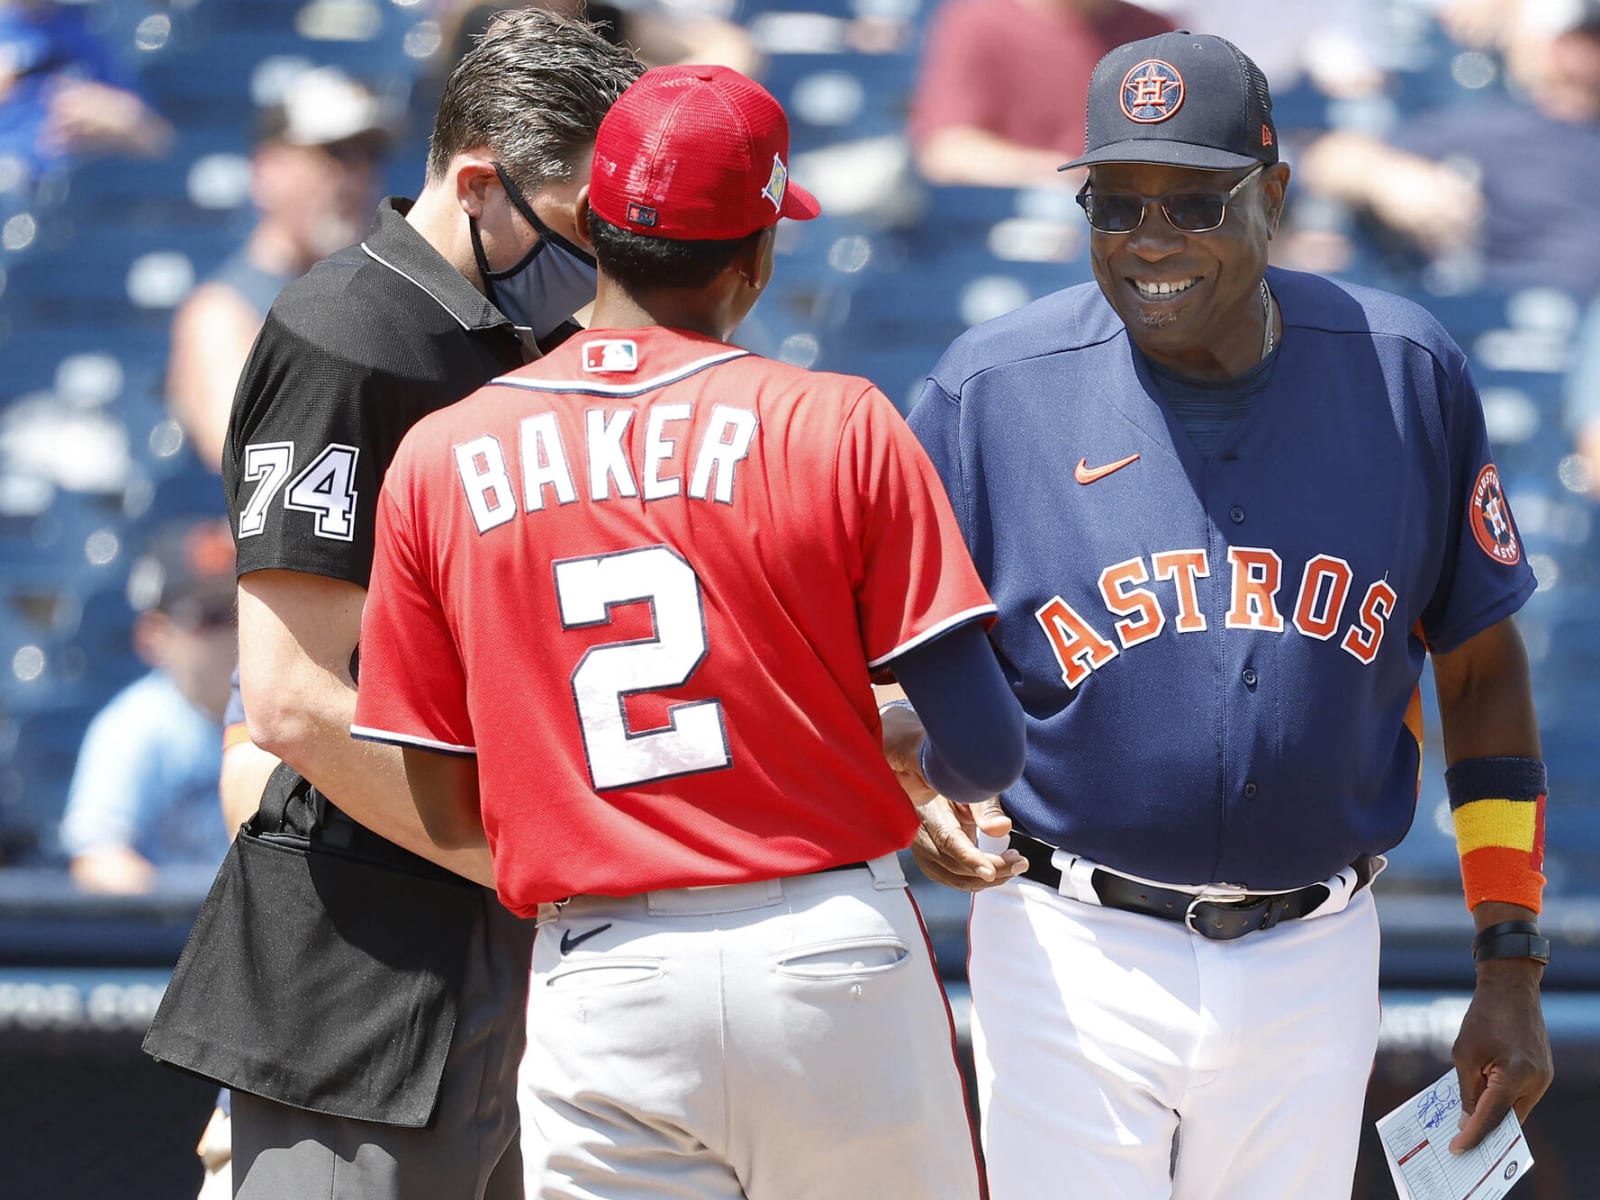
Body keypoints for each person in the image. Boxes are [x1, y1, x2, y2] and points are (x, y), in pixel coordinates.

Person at [898, 31, 1554, 1200]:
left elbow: (1482, 675)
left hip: (1315, 952)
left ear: (1275, 195)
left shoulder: (1404, 372)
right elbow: (887, 659)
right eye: (1115, 204)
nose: (1150, 240)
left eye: (1195, 203)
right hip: (1066, 942)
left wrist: (1507, 956)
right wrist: (921, 784)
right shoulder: (988, 391)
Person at [351, 64, 1025, 1199]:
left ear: (595, 232)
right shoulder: (836, 421)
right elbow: (989, 749)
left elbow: (430, 785)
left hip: (604, 969)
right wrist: (907, 748)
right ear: (755, 259)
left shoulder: (440, 454)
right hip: (827, 950)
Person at [141, 13, 643, 1199]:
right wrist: (538, 867)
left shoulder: (517, 337)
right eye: (581, 227)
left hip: (489, 936)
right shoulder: (347, 337)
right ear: (480, 182)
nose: (602, 258)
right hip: (360, 972)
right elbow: (296, 702)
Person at [167, 66, 394, 473]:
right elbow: (250, 458)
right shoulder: (223, 312)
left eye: (368, 155)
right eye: (335, 153)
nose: (355, 175)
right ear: (267, 170)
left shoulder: (384, 294)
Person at [1298, 4, 1600, 296]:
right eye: (1591, 41)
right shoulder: (1496, 128)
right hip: (1517, 316)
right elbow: (1328, 161)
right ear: (1566, 48)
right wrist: (1387, 176)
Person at [58, 518, 235, 894]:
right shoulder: (135, 725)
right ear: (154, 636)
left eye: (241, 612)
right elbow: (98, 861)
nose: (233, 634)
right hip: (178, 942)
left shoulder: (286, 711)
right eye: (211, 617)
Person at [907, 0, 1171, 187]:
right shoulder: (977, 20)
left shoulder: (1157, 32)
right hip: (1019, 225)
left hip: (1133, 219)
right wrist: (1073, 174)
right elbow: (946, 152)